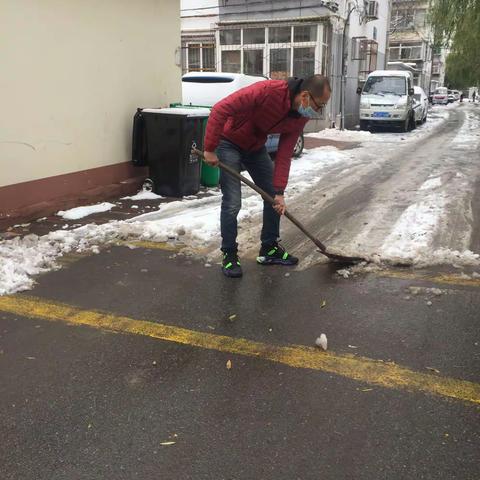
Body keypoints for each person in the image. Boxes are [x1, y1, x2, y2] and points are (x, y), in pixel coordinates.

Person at [202, 75, 332, 278]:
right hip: (229, 142)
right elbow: (220, 109)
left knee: (273, 196)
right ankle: (229, 254)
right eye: (319, 105)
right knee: (233, 202)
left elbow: (285, 152)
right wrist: (210, 148)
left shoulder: (300, 115)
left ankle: (269, 249)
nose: (318, 111)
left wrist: (280, 191)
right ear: (305, 96)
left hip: (255, 146)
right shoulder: (268, 91)